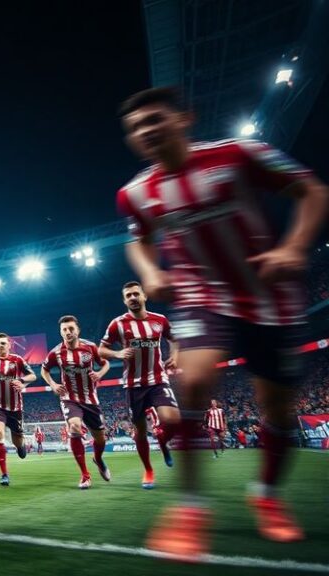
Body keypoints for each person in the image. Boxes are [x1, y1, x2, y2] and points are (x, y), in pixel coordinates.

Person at [116, 86, 328, 557]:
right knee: (192, 385)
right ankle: (191, 507)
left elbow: (311, 189)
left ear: (185, 117)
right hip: (201, 298)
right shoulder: (136, 193)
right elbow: (138, 240)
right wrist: (150, 271)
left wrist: (294, 247)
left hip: (267, 294)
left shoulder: (237, 154)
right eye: (136, 127)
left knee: (276, 407)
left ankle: (268, 496)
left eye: (155, 120)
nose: (146, 131)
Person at [99, 281, 179, 489]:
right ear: (125, 301)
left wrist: (175, 355)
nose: (133, 298)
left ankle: (162, 441)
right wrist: (116, 353)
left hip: (158, 379)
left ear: (144, 296)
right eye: (128, 295)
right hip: (133, 386)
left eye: (136, 294)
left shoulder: (159, 320)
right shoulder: (117, 324)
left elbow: (174, 339)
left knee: (173, 420)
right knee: (141, 431)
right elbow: (101, 350)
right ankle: (149, 470)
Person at [42, 315, 111, 489]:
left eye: (71, 328)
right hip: (69, 398)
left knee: (100, 440)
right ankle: (85, 475)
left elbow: (105, 364)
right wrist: (52, 384)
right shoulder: (56, 352)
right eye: (64, 329)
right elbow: (44, 370)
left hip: (90, 399)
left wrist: (100, 374)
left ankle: (98, 459)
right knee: (74, 426)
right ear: (60, 332)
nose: (68, 332)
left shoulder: (90, 347)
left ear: (78, 330)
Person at [0, 332, 37, 486]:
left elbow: (33, 376)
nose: (0, 346)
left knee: (17, 440)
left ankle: (20, 446)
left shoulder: (18, 360)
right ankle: (4, 474)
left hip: (15, 408)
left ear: (9, 345)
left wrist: (22, 380)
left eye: (3, 343)